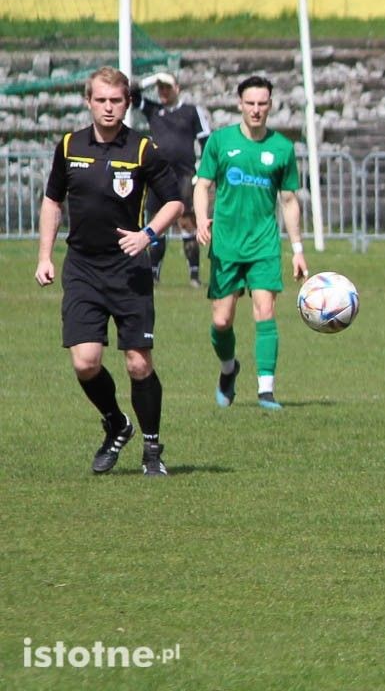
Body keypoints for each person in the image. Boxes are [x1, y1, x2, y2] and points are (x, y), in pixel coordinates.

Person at [35, 66, 183, 477]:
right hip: (82, 266)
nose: (108, 107)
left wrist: (147, 235)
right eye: (100, 100)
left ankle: (152, 449)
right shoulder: (69, 146)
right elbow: (52, 201)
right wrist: (45, 256)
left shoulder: (141, 149)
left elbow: (174, 202)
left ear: (127, 103)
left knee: (138, 362)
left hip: (129, 268)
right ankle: (117, 423)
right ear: (88, 101)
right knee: (85, 361)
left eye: (116, 100)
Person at [194, 76, 307, 410]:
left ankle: (266, 391)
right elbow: (202, 185)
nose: (256, 110)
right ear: (239, 104)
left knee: (265, 311)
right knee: (221, 321)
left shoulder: (282, 149)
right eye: (251, 103)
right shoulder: (220, 142)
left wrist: (298, 250)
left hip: (264, 245)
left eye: (263, 103)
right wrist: (202, 219)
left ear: (271, 105)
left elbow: (288, 201)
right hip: (226, 244)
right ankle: (229, 370)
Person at [133, 71, 211, 287]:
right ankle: (154, 274)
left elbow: (206, 141)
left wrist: (202, 172)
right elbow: (130, 92)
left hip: (184, 175)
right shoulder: (153, 110)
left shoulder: (191, 111)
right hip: (158, 175)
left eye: (167, 87)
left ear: (177, 88)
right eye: (160, 88)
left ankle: (194, 275)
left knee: (187, 222)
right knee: (158, 222)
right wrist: (152, 78)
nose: (163, 92)